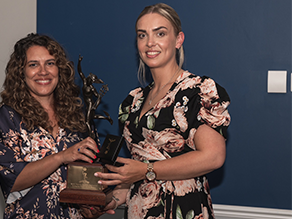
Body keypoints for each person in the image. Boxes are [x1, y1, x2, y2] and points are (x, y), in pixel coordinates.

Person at [95, 3, 231, 219]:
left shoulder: (199, 91)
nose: (150, 43)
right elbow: (136, 171)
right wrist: (110, 199)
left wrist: (147, 170)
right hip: (139, 210)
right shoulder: (132, 101)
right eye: (142, 35)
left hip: (183, 209)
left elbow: (213, 157)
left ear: (178, 40)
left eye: (160, 33)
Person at [0, 33, 104, 219]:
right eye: (33, 64)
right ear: (21, 72)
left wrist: (90, 206)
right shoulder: (8, 116)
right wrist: (61, 157)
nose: (43, 71)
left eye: (50, 63)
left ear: (59, 69)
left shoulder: (77, 114)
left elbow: (87, 175)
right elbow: (13, 179)